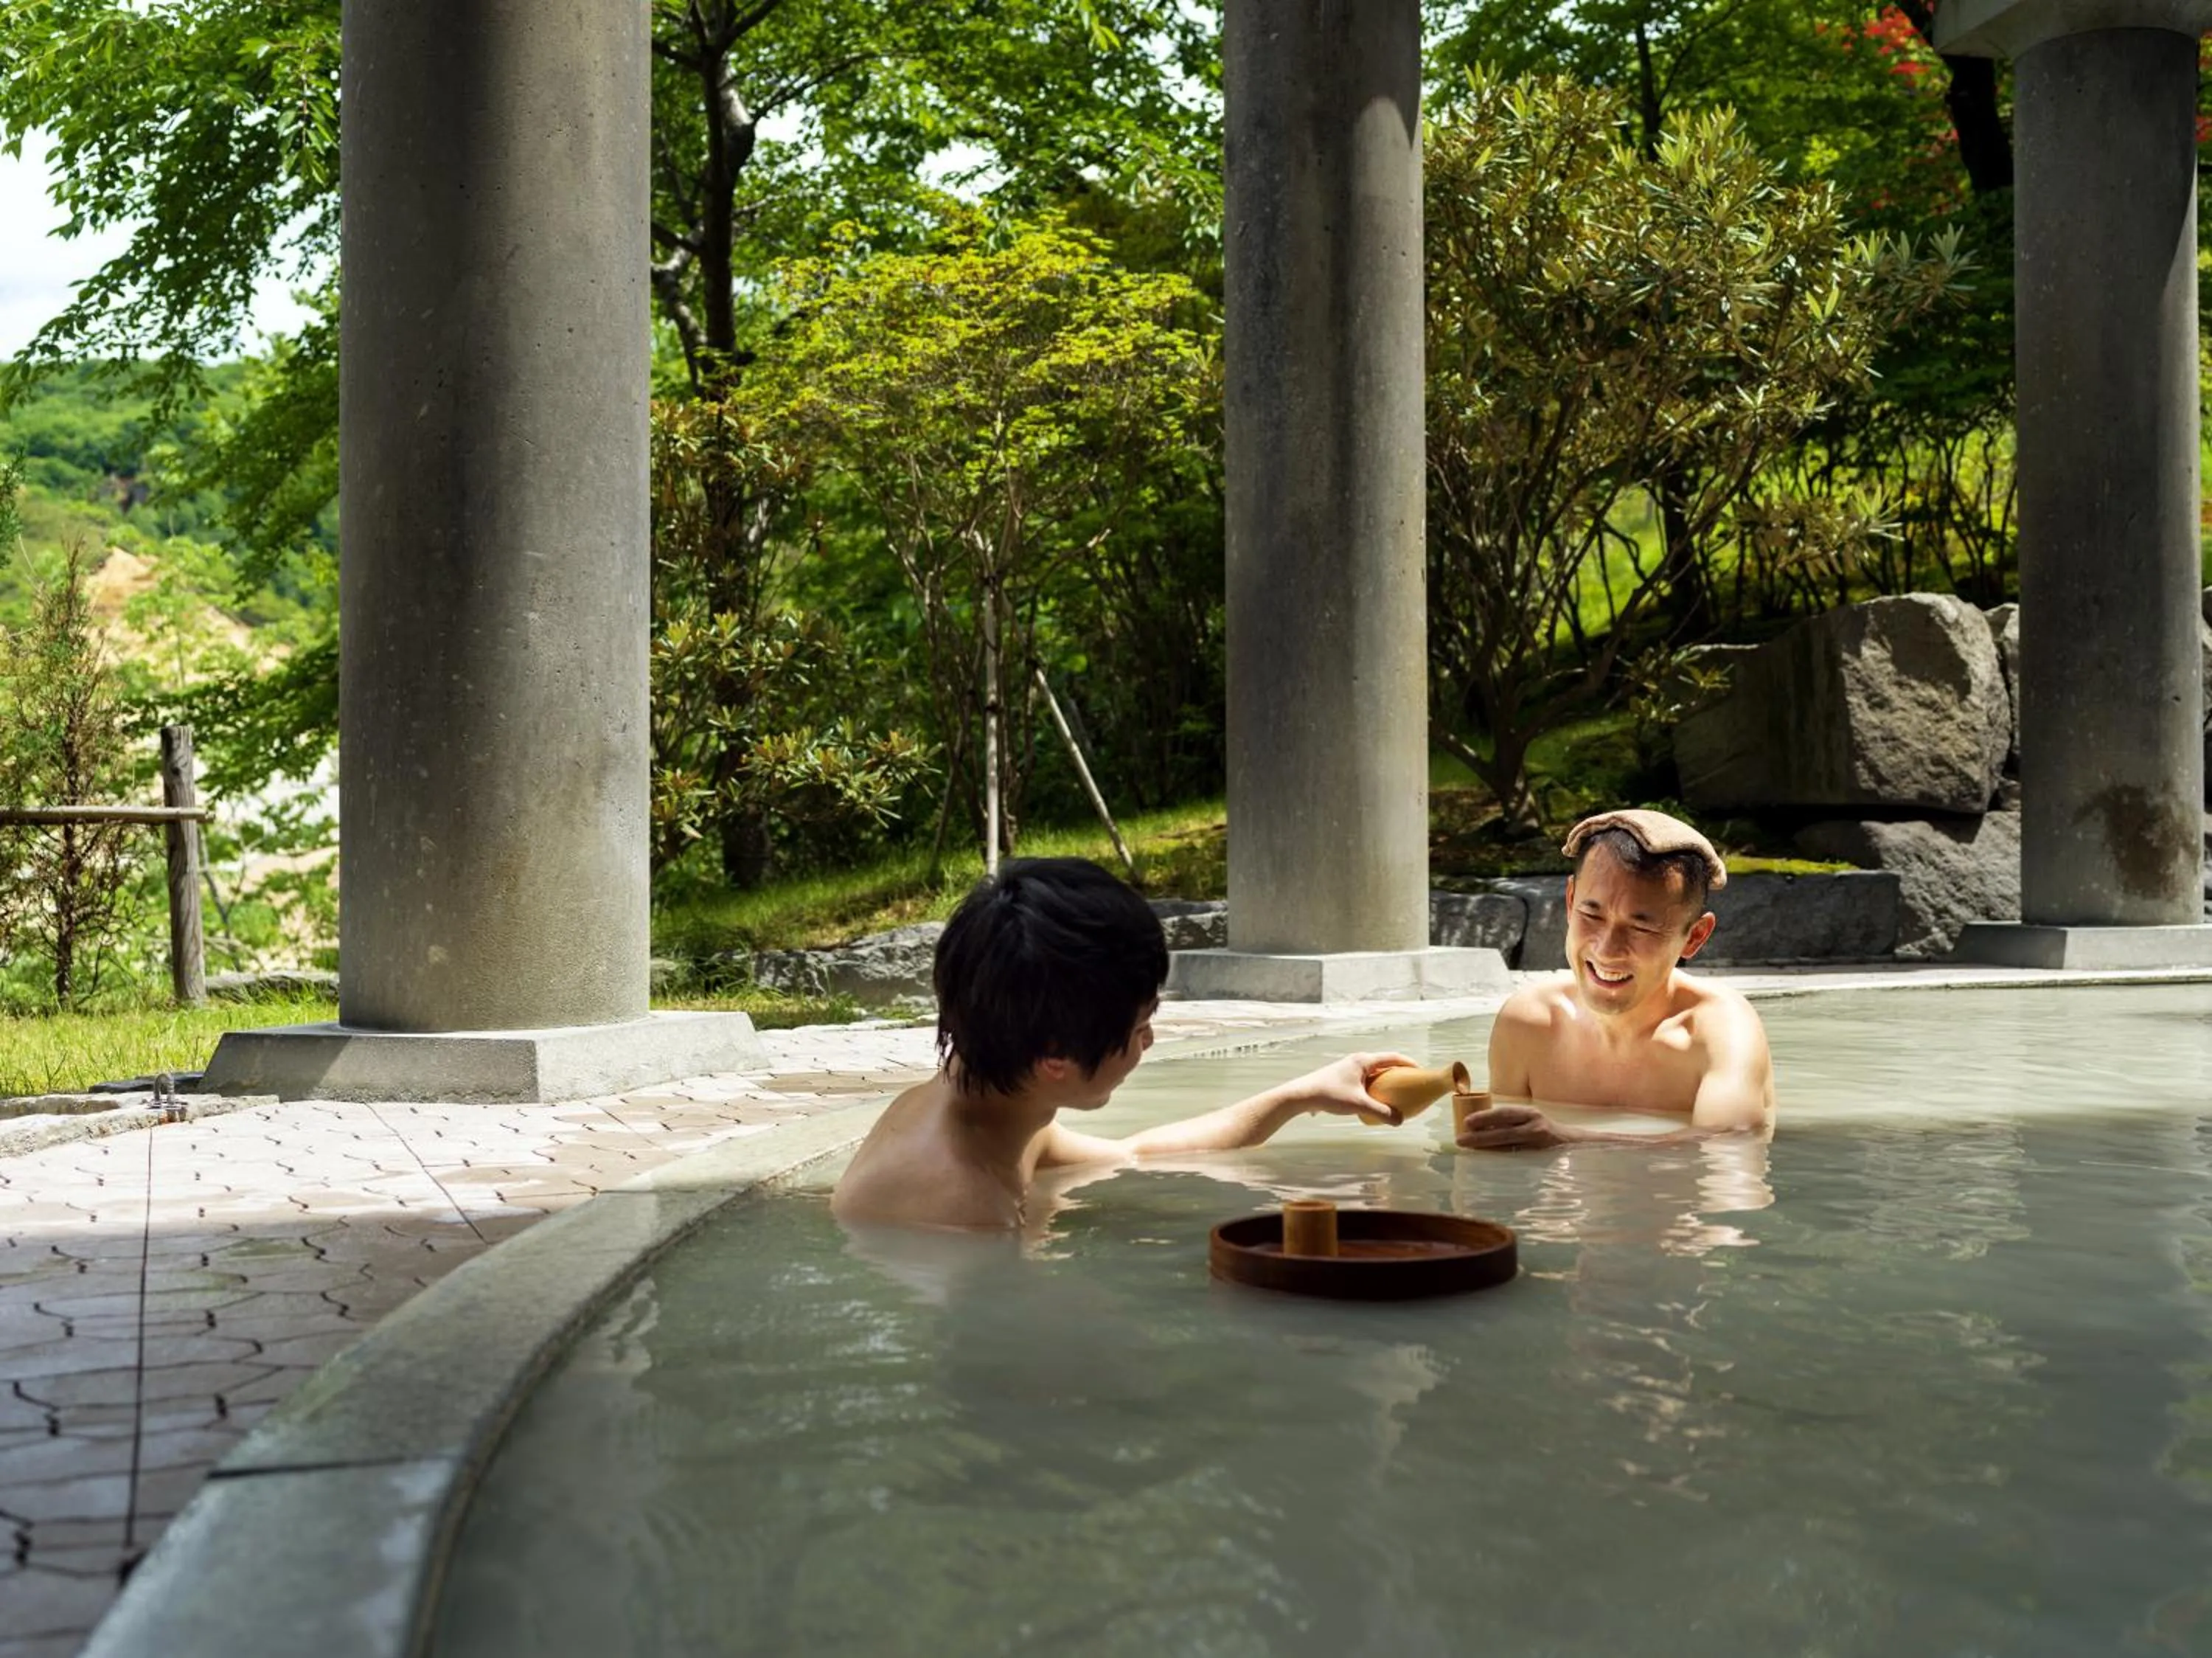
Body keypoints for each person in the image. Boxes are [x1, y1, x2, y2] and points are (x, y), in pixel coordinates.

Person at [832, 856, 1418, 1230]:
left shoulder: (996, 1092)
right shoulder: (965, 1207)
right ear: (1055, 1059)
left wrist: (1301, 1095)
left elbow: (1132, 1156)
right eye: (1138, 1030)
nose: (1151, 1041)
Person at [1459, 809, 1775, 1152]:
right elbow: (1500, 1163)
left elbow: (1733, 1148)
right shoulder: (1531, 1021)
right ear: (1569, 901)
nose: (1608, 950)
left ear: (1695, 937)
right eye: (1591, 914)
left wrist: (1567, 1138)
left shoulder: (1719, 1031)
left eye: (1641, 927)